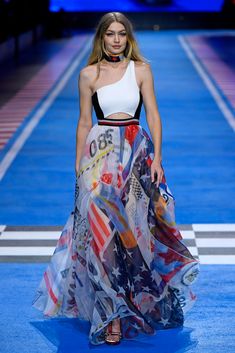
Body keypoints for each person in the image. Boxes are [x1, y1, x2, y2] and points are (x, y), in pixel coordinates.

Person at [32, 12, 200, 346]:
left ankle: (140, 303)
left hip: (137, 155)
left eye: (122, 34)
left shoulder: (141, 70)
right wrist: (78, 165)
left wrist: (159, 160)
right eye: (110, 34)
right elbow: (83, 122)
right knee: (100, 235)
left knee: (134, 234)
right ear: (102, 38)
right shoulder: (87, 75)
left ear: (128, 38)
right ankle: (110, 316)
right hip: (100, 154)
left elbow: (153, 113)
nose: (117, 39)